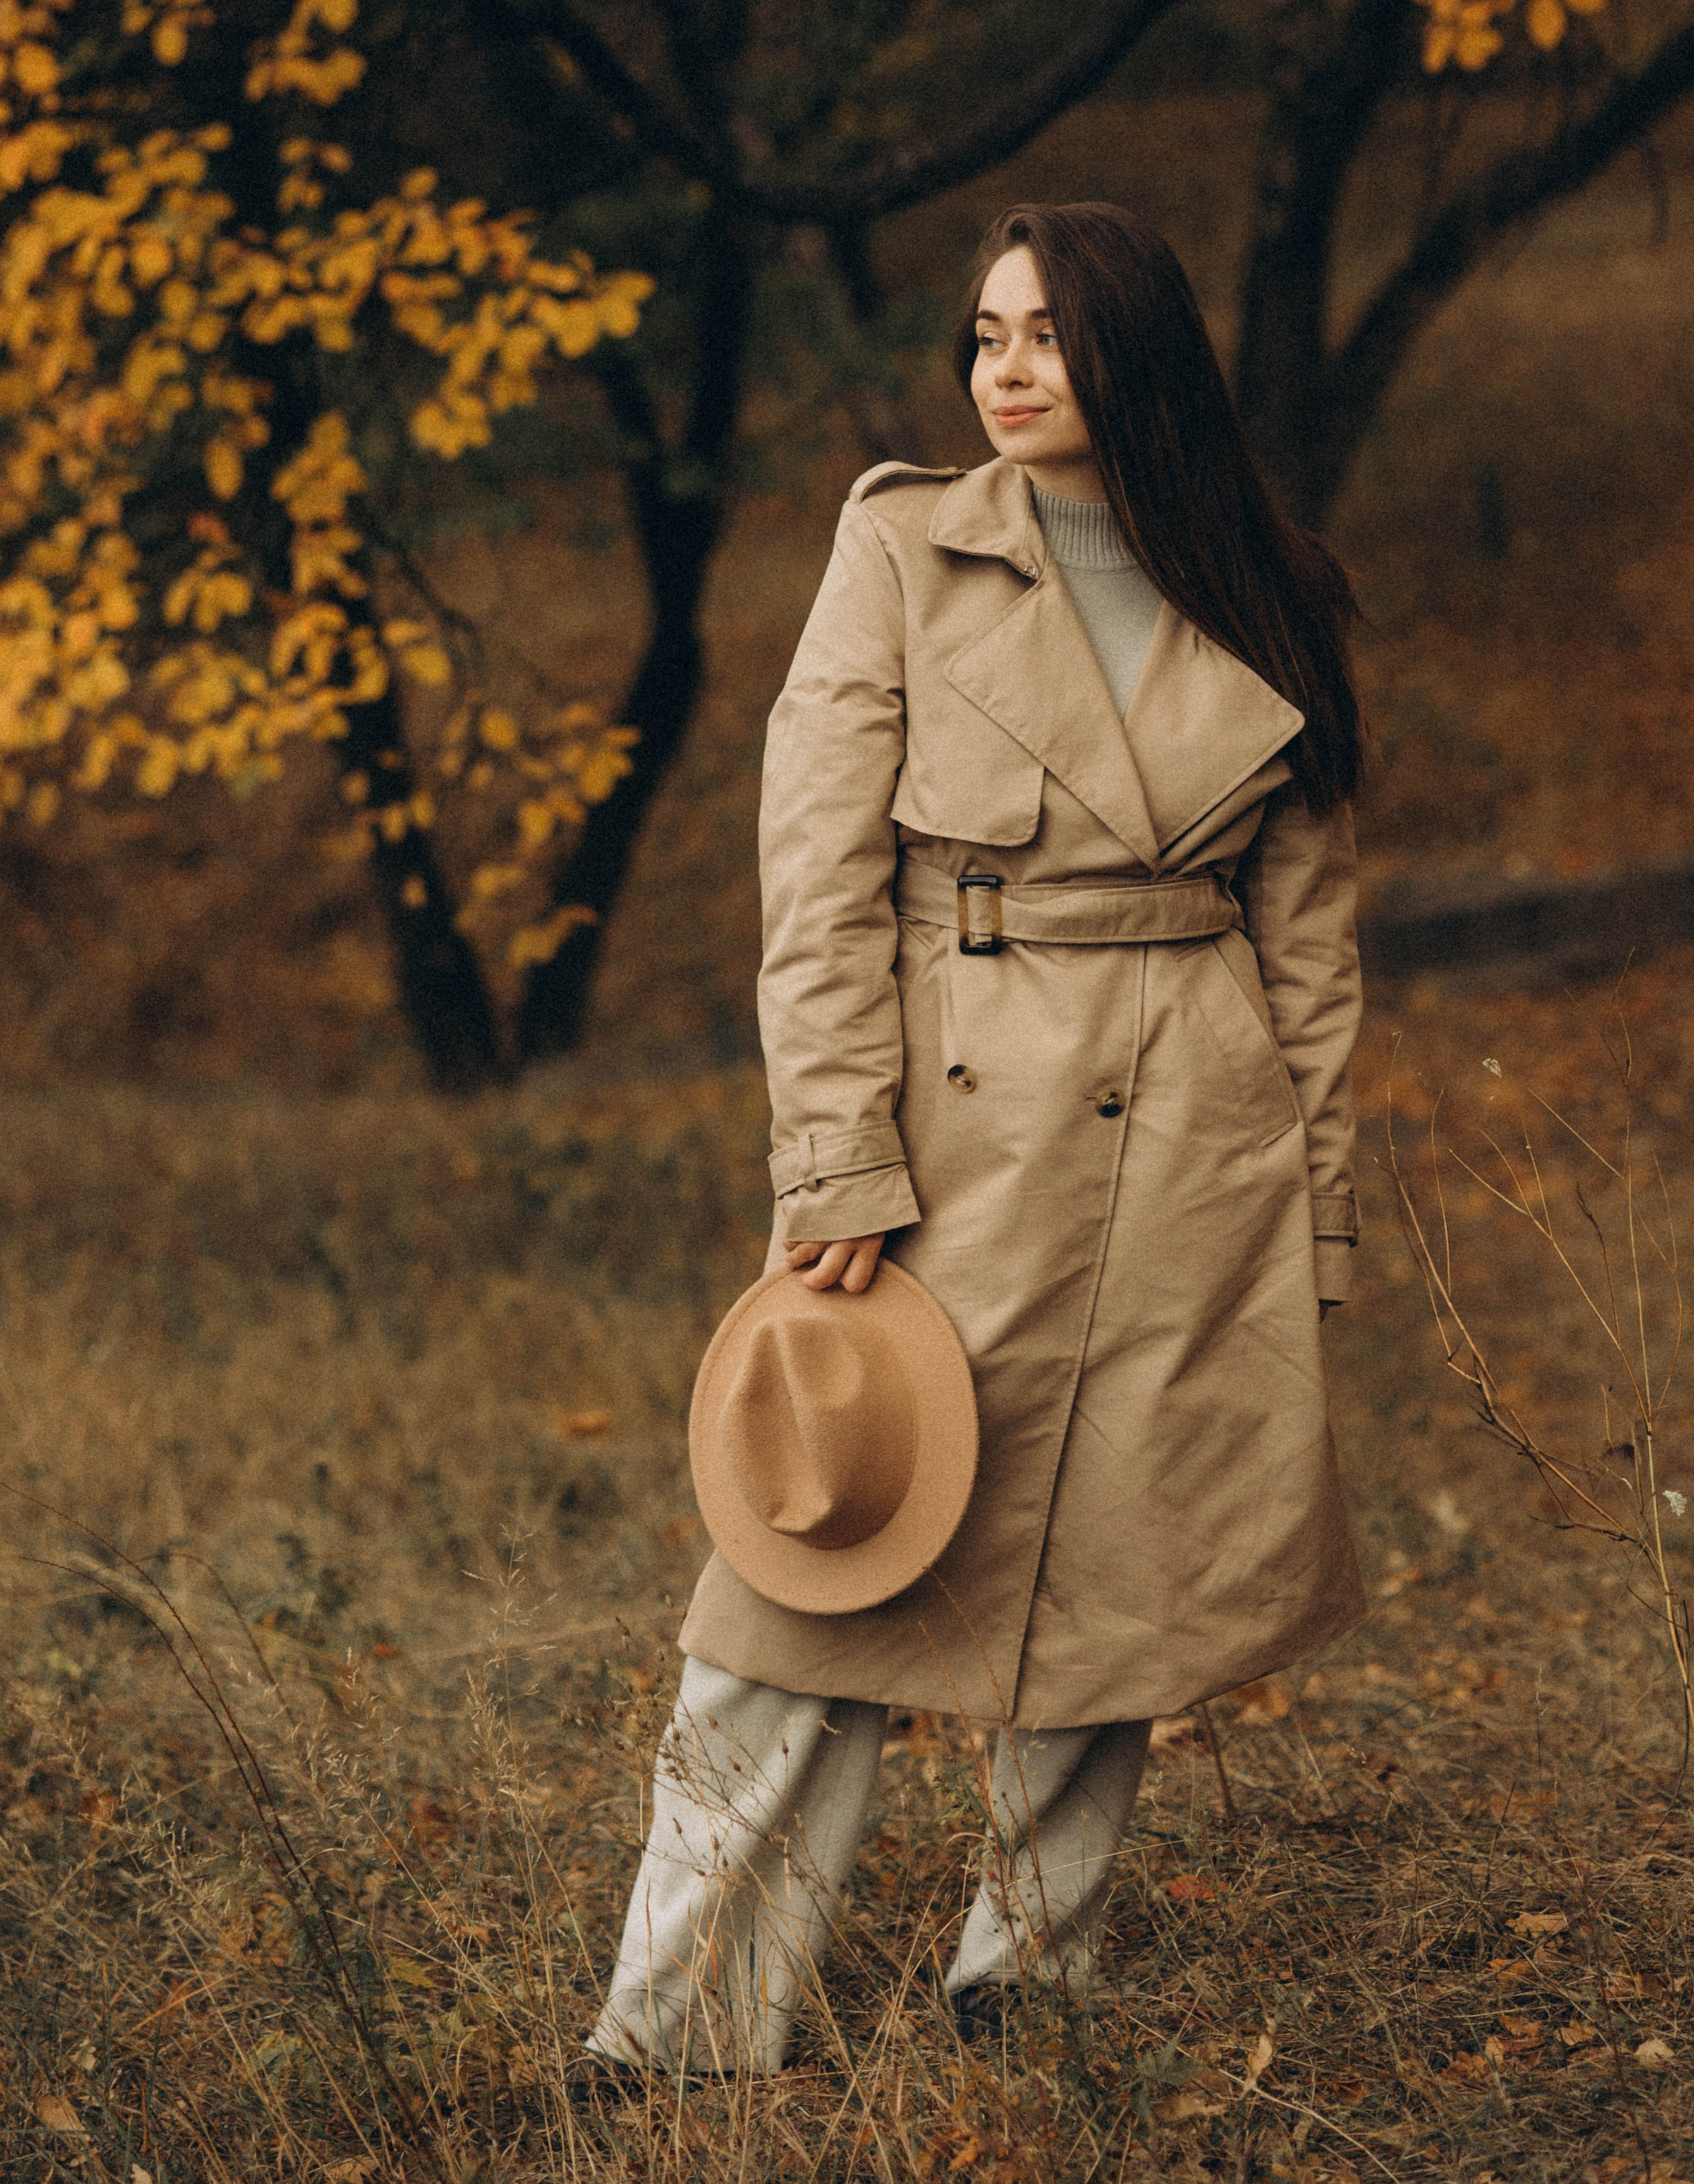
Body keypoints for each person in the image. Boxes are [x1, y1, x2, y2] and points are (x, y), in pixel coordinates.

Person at [578, 200, 1367, 2087]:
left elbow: (1316, 951)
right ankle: (677, 2027)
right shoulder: (901, 545)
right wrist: (835, 1158)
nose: (1006, 367)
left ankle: (1028, 1988)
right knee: (805, 1568)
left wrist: (1316, 1229)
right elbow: (817, 871)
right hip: (942, 1152)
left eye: (1048, 333)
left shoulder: (1273, 586)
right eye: (986, 333)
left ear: (1138, 359)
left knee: (1125, 1577)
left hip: (1197, 1153)